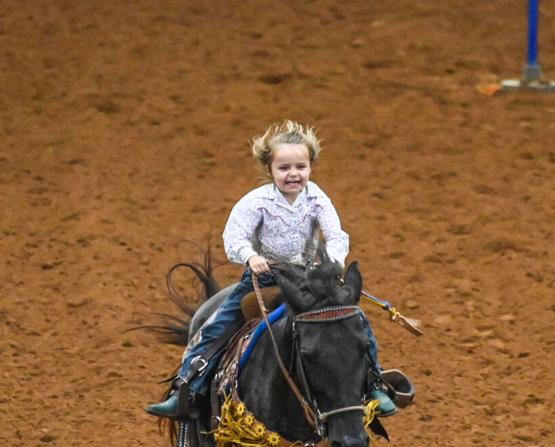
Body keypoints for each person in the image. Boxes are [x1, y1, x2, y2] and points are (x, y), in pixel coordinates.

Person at [146, 120, 397, 419]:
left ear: (310, 166)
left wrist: (333, 261)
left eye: (301, 167)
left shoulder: (317, 198)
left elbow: (336, 234)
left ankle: (374, 384)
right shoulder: (256, 202)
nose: (294, 174)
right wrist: (251, 257)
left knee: (354, 321)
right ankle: (186, 388)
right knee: (216, 327)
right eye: (285, 168)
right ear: (270, 170)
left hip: (310, 279)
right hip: (263, 278)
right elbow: (234, 237)